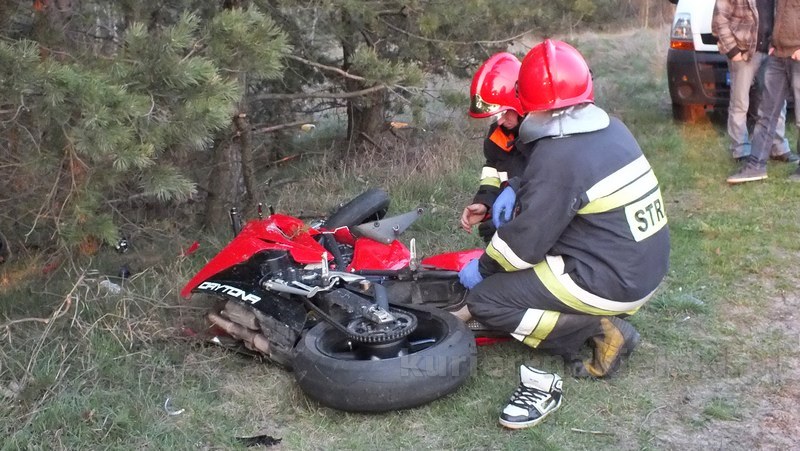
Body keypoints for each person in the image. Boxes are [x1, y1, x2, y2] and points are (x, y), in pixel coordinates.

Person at [457, 39, 670, 429]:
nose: (503, 120)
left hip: (611, 277)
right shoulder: (613, 128)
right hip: (641, 266)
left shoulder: (557, 156)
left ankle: (600, 329)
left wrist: (484, 269)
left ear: (526, 102)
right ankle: (592, 312)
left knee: (488, 300)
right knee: (521, 270)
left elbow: (522, 247)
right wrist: (509, 191)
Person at [712, 0, 797, 163]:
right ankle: (740, 149)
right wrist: (732, 50)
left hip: (772, 52)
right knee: (740, 103)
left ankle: (777, 147)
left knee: (777, 103)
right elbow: (719, 18)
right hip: (744, 52)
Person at [460, 52, 527, 242]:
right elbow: (493, 174)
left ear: (520, 101)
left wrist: (515, 210)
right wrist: (485, 203)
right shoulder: (497, 135)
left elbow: (546, 183)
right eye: (497, 114)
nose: (500, 120)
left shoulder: (544, 137)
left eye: (505, 112)